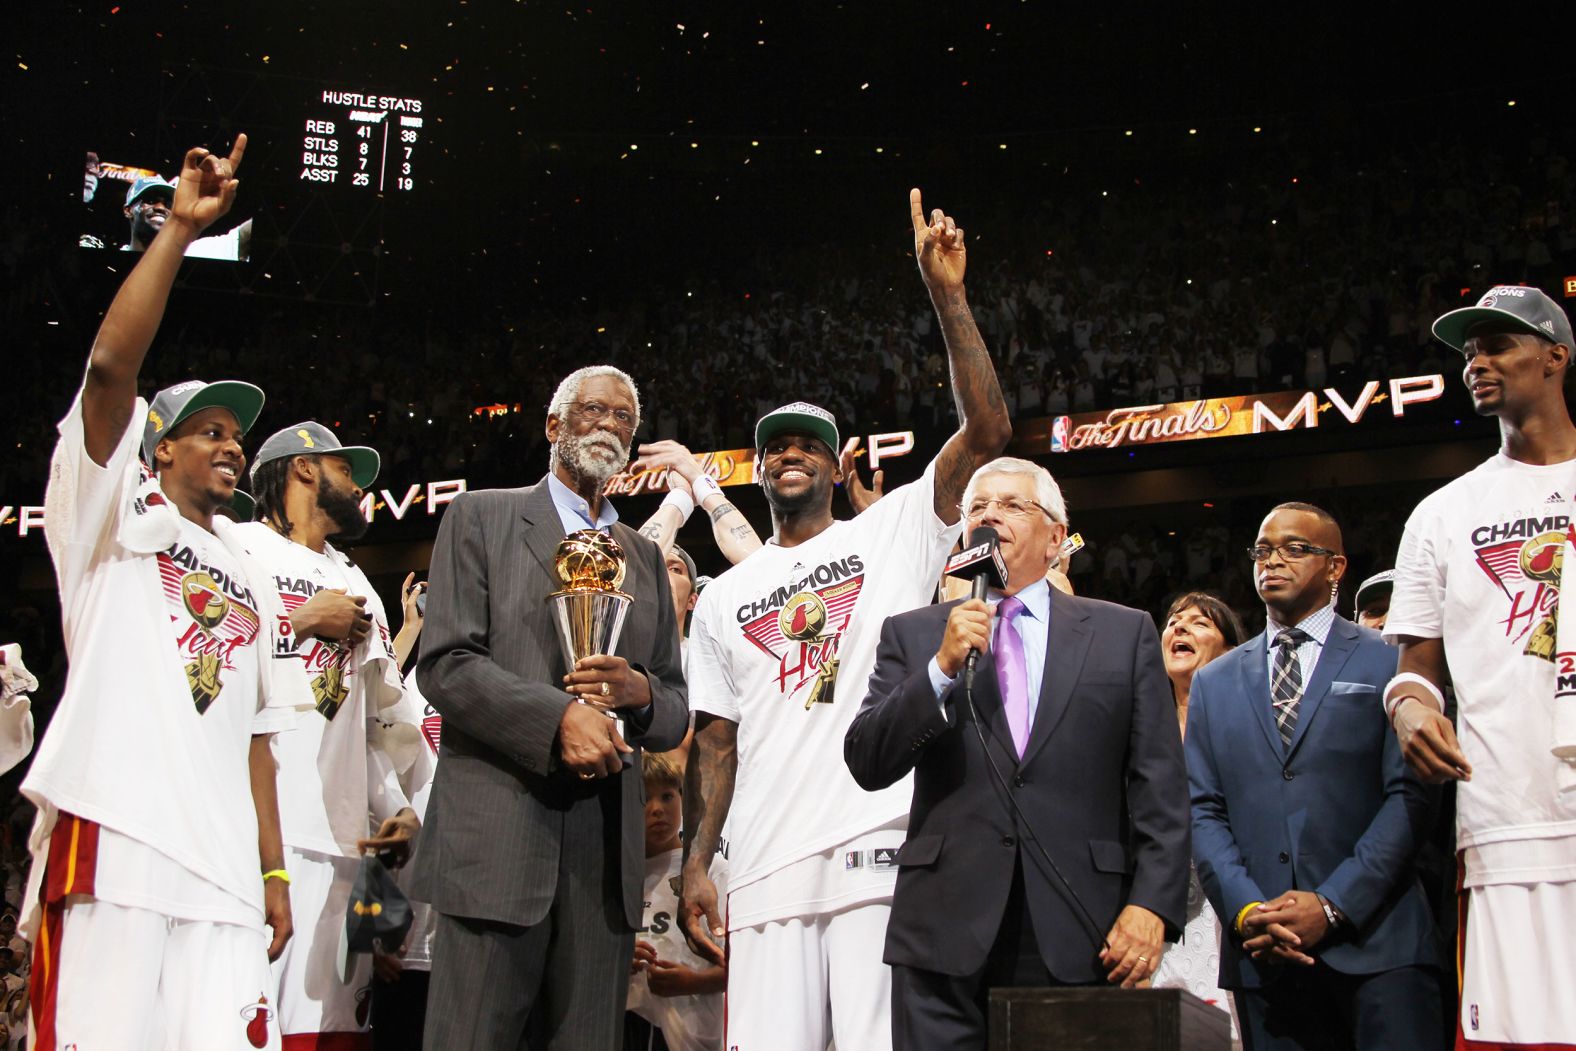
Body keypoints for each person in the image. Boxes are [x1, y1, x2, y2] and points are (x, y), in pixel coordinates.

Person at [680, 189, 1012, 1051]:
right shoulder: (721, 596)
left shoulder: (889, 531)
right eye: (773, 446)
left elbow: (987, 430)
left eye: (809, 444)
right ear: (758, 471)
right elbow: (715, 743)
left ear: (836, 464)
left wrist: (947, 296)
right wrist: (693, 861)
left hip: (876, 842)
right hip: (761, 864)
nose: (789, 452)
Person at [21, 137, 301, 1049]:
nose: (229, 444)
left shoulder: (252, 570)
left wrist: (274, 874)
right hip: (120, 842)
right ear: (158, 447)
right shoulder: (109, 507)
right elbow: (109, 370)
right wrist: (179, 231)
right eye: (207, 428)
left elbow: (262, 738)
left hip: (223, 873)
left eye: (238, 435)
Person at [844, 457, 1190, 1049]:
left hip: (1081, 925)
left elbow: (1160, 789)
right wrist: (940, 668)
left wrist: (1152, 906)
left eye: (1010, 505)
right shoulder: (915, 634)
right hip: (943, 934)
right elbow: (869, 760)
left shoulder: (1123, 633)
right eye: (977, 508)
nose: (989, 517)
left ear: (1056, 536)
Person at [411, 364, 688, 1050]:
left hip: (604, 868)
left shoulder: (645, 559)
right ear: (552, 425)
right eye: (593, 409)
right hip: (498, 845)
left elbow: (677, 709)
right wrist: (557, 718)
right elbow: (445, 662)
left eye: (624, 417)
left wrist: (639, 691)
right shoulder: (482, 516)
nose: (609, 424)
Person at [1386, 285, 1576, 1047]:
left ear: (1555, 357)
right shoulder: (1440, 513)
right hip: (1508, 817)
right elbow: (1414, 668)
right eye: (1470, 350)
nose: (1478, 362)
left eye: (1498, 344)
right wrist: (1409, 708)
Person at [1188, 503, 1442, 1049]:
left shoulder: (1391, 661)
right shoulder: (1213, 681)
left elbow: (1411, 797)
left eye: (1295, 549)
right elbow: (1203, 810)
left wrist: (1333, 904)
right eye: (1263, 549)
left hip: (1381, 945)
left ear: (1335, 567)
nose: (1273, 561)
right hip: (1264, 951)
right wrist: (1250, 909)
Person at [235, 421, 422, 1048]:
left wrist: (398, 806)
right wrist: (297, 621)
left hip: (345, 841)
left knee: (335, 1033)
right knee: (252, 1026)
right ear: (305, 469)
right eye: (346, 471)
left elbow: (372, 720)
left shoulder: (355, 577)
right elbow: (206, 665)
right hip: (264, 836)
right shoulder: (237, 547)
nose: (359, 488)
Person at [1150, 591, 1245, 1042]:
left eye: (1199, 623)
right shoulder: (1140, 726)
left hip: (1227, 912)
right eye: (1172, 620)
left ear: (1230, 650)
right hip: (1155, 917)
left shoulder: (1248, 725)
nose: (1180, 627)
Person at [625, 752, 727, 1051]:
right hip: (627, 1020)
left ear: (684, 798)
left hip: (690, 1029)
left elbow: (740, 964)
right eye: (645, 799)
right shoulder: (617, 875)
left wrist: (692, 982)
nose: (657, 809)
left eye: (667, 796)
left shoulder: (711, 872)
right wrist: (618, 958)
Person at [121, 172, 254, 260]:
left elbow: (241, 240)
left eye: (168, 204)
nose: (160, 208)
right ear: (128, 211)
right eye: (150, 201)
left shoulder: (190, 253)